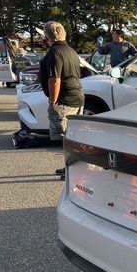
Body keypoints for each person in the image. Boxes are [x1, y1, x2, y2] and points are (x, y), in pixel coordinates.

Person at [39, 20, 85, 179]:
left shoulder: (55, 53)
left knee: (66, 138)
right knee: (72, 137)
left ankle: (73, 171)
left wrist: (53, 101)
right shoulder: (71, 51)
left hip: (65, 101)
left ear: (48, 36)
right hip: (77, 97)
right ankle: (70, 167)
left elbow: (55, 80)